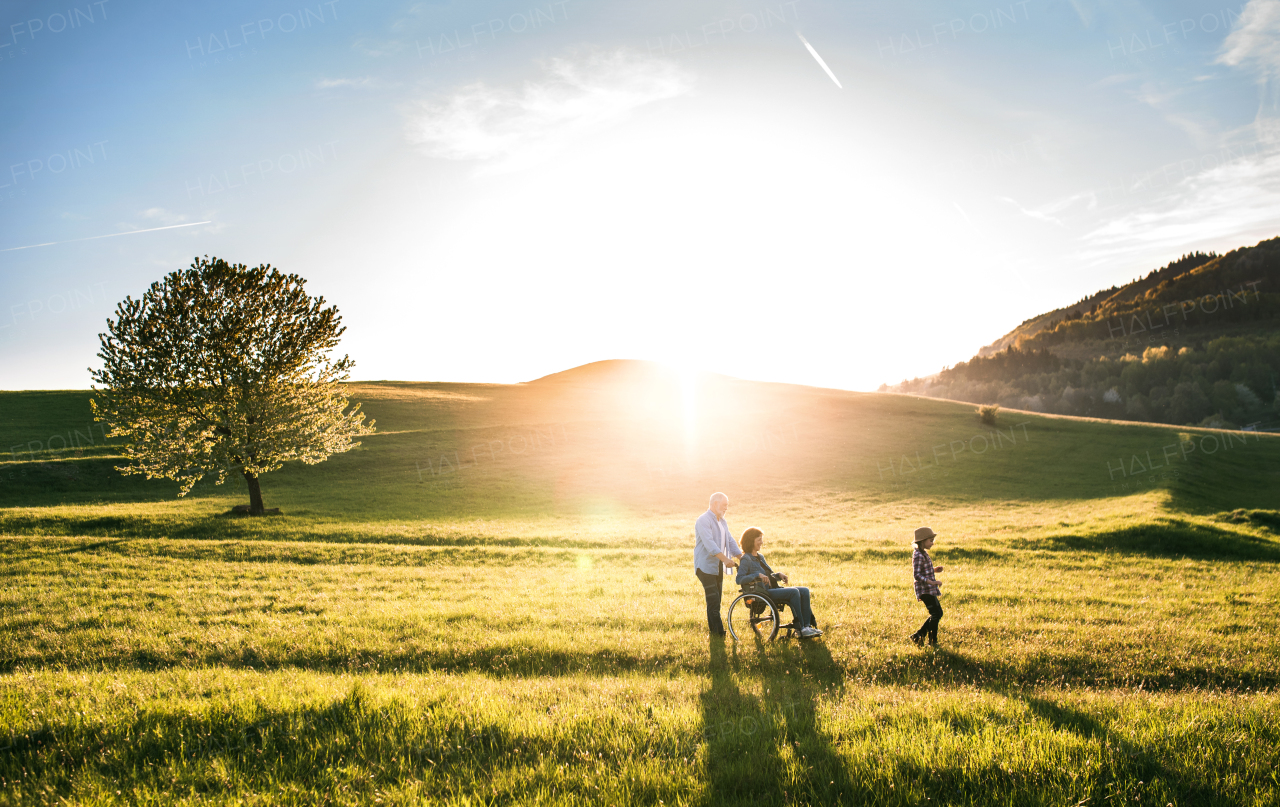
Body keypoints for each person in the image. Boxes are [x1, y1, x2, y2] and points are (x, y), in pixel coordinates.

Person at [736, 527, 822, 639]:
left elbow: (769, 576)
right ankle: (800, 628)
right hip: (763, 593)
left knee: (804, 590)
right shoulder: (746, 559)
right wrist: (756, 575)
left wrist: (778, 575)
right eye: (759, 540)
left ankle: (806, 626)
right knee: (794, 592)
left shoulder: (760, 557)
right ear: (751, 541)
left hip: (772, 589)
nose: (761, 542)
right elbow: (739, 579)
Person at [694, 492, 742, 637]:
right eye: (724, 505)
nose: (727, 508)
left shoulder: (722, 521)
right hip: (705, 567)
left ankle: (714, 631)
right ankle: (718, 633)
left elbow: (730, 540)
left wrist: (742, 557)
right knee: (713, 599)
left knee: (716, 600)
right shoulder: (703, 520)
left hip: (717, 567)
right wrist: (725, 559)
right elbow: (710, 545)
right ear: (715, 504)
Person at [909, 526, 944, 647]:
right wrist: (932, 582)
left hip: (929, 589)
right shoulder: (918, 555)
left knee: (938, 613)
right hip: (924, 590)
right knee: (936, 614)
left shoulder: (923, 553)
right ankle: (932, 641)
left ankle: (918, 636)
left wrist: (934, 570)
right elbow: (917, 575)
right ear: (922, 541)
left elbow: (923, 570)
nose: (932, 543)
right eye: (930, 540)